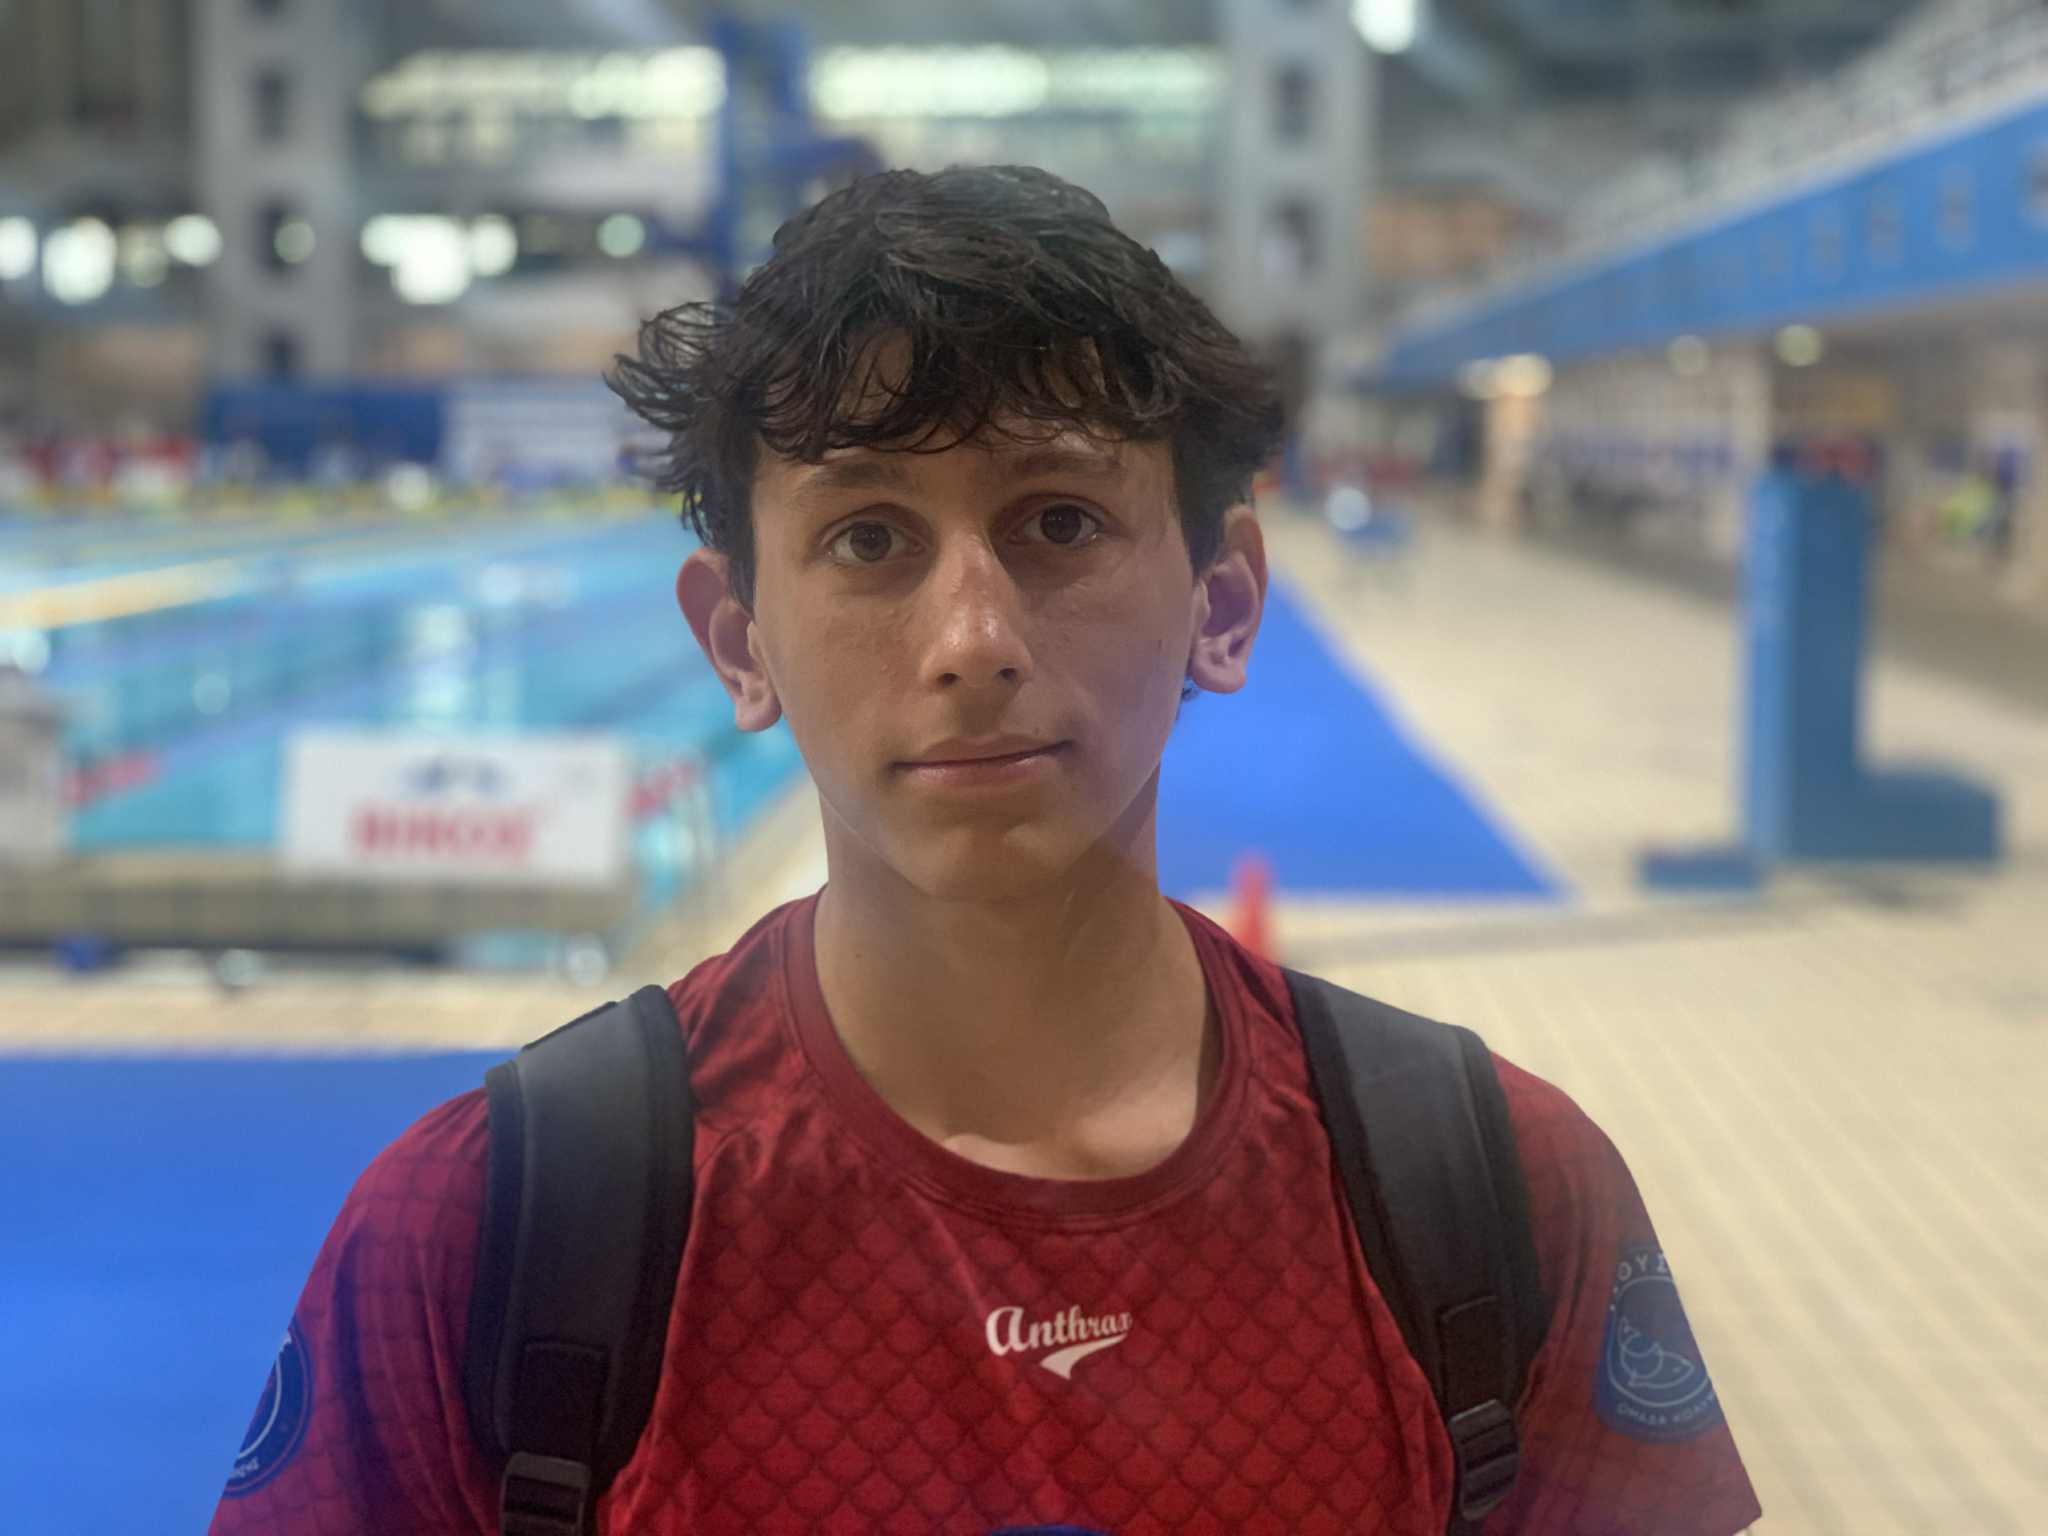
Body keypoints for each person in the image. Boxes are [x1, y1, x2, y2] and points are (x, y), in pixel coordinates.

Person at [207, 165, 1763, 1535]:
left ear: (1223, 604)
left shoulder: (1497, 1199)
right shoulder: (488, 1234)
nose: (972, 639)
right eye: (869, 538)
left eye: (1060, 521)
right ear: (739, 642)